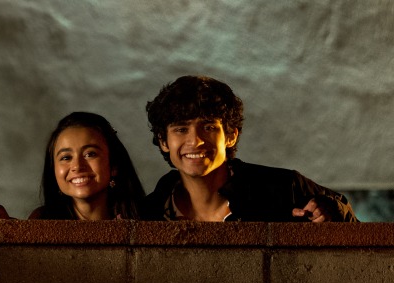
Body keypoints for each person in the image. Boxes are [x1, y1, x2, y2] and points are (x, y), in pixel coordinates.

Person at [141, 75, 358, 222]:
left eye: (208, 127)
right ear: (163, 141)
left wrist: (330, 213)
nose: (195, 140)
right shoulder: (149, 213)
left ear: (230, 136)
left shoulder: (284, 188)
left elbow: (362, 236)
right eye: (181, 129)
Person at [29, 112, 145, 220]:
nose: (77, 166)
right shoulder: (39, 223)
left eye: (90, 154)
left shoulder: (148, 218)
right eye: (66, 157)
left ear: (114, 165)